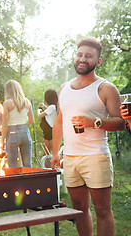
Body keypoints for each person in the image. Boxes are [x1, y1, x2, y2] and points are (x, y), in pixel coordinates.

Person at [51, 37, 124, 236]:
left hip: (96, 156)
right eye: (80, 54)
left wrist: (95, 122)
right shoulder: (64, 88)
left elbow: (121, 122)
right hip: (71, 158)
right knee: (79, 209)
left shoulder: (106, 88)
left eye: (88, 56)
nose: (82, 59)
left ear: (98, 61)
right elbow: (59, 121)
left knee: (102, 210)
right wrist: (56, 152)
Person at [1, 80, 34, 168]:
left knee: (13, 166)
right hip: (25, 132)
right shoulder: (27, 102)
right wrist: (22, 119)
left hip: (12, 134)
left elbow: (5, 123)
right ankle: (29, 181)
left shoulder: (7, 103)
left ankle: (15, 181)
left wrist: (2, 140)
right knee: (28, 165)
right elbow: (32, 121)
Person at [37, 89, 58, 154]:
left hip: (49, 131)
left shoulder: (52, 107)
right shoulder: (54, 107)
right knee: (52, 151)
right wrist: (44, 107)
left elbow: (40, 116)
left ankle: (47, 164)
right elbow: (49, 111)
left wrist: (38, 110)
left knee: (47, 152)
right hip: (52, 130)